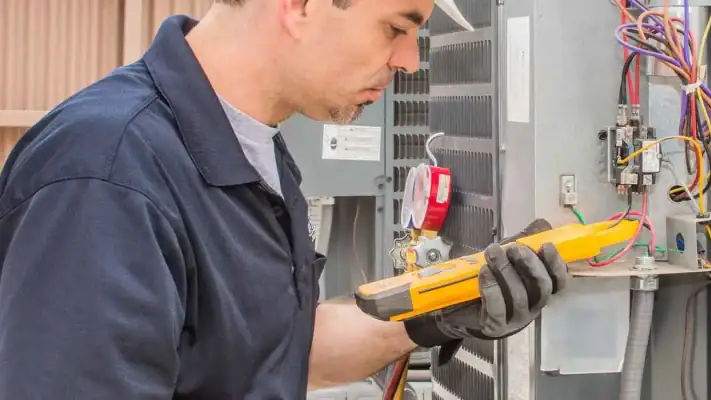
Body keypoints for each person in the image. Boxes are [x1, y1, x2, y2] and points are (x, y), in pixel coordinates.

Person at [0, 0, 569, 398]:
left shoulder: (252, 149)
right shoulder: (106, 176)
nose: (409, 60)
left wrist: (445, 308)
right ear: (299, 6)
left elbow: (278, 351)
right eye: (396, 28)